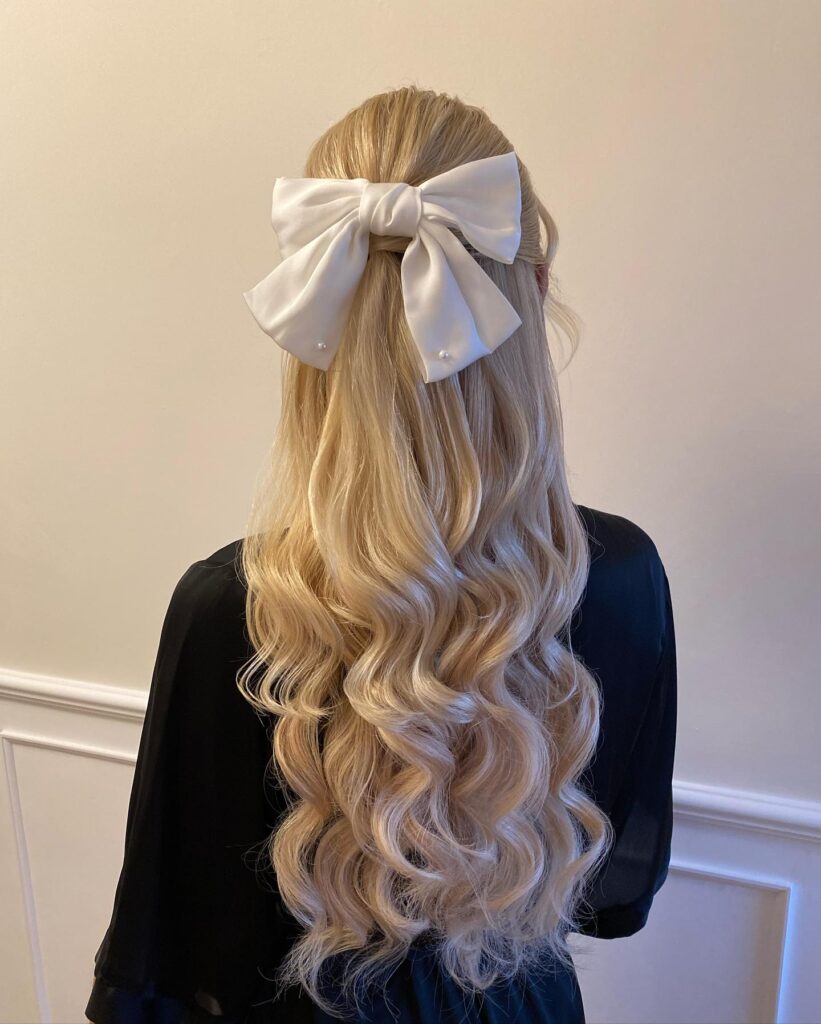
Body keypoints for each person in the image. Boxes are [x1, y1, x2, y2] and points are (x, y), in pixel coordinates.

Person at [85, 85, 677, 1024]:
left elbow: (171, 952)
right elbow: (612, 899)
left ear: (313, 327)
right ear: (534, 293)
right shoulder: (619, 576)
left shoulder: (227, 603)